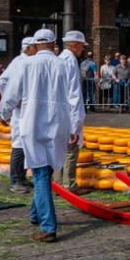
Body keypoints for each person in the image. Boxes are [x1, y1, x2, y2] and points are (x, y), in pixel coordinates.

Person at [0, 29, 83, 243]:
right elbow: (75, 97)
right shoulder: (64, 65)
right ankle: (36, 215)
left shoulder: (26, 64)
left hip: (33, 124)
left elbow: (11, 93)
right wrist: (75, 127)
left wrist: (4, 113)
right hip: (59, 125)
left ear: (36, 45)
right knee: (44, 170)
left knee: (40, 174)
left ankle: (48, 226)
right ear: (54, 43)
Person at [0, 38, 37, 193]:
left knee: (25, 144)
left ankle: (22, 178)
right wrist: (12, 103)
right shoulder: (20, 62)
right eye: (35, 47)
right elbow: (2, 82)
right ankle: (16, 181)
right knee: (19, 144)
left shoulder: (29, 61)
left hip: (28, 111)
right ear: (29, 48)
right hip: (20, 112)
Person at [59, 31, 89, 193]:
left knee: (59, 149)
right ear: (75, 45)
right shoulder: (70, 61)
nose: (83, 50)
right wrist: (75, 124)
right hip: (69, 113)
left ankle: (57, 183)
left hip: (59, 113)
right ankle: (69, 185)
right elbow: (74, 94)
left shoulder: (59, 59)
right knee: (70, 150)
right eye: (82, 46)